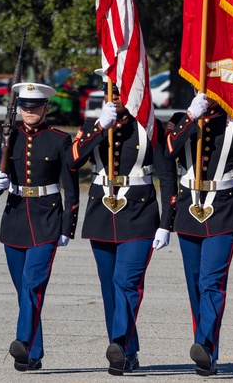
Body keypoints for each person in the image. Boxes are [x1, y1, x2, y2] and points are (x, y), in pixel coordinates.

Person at [69, 85, 175, 375]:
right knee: (109, 288)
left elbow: (167, 180)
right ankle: (127, 351)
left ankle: (118, 343)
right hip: (101, 215)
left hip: (140, 216)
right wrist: (100, 125)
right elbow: (72, 160)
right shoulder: (93, 126)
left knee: (127, 283)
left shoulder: (152, 128)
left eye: (121, 93)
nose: (115, 98)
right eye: (110, 93)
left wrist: (167, 223)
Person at [157, 92, 233, 377]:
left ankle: (205, 345)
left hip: (224, 211)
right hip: (188, 211)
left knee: (213, 282)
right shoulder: (179, 120)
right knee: (196, 285)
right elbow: (168, 153)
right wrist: (190, 117)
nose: (209, 96)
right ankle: (206, 350)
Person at [0, 82, 79, 372]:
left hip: (47, 221)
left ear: (46, 108)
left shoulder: (59, 140)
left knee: (32, 286)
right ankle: (34, 354)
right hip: (14, 221)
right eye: (25, 107)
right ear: (19, 109)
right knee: (24, 292)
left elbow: (71, 189)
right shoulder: (7, 139)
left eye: (35, 107)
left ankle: (22, 343)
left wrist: (68, 227)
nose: (30, 112)